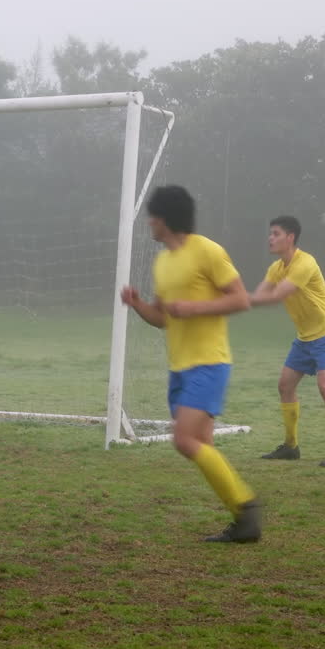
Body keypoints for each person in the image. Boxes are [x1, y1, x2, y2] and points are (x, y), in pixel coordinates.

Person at [120, 185, 262, 542]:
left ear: (165, 218)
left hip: (210, 362)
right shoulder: (163, 262)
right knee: (202, 445)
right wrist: (138, 305)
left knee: (184, 440)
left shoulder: (208, 251)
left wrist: (196, 307)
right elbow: (164, 318)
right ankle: (242, 524)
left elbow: (242, 300)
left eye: (153, 216)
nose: (149, 223)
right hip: (180, 366)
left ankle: (247, 505)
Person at [249, 216, 325, 467]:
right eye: (270, 233)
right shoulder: (276, 268)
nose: (270, 238)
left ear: (290, 237)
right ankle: (291, 446)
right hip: (304, 337)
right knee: (285, 386)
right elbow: (260, 294)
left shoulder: (305, 263)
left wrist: (230, 299)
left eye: (275, 233)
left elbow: (277, 294)